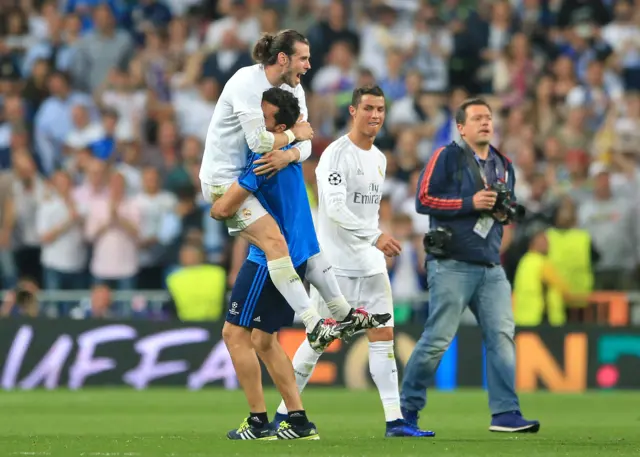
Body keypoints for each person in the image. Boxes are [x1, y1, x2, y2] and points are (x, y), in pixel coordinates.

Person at [212, 88, 389, 441]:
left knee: (233, 334)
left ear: (277, 126)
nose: (255, 125)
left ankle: (259, 421)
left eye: (263, 118)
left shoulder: (265, 158)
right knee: (263, 339)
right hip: (300, 256)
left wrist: (223, 196)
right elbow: (302, 142)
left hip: (267, 259)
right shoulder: (291, 157)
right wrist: (296, 140)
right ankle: (298, 420)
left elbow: (222, 209)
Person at [265, 85, 433, 438]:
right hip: (335, 267)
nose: (375, 115)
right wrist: (376, 236)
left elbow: (365, 211)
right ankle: (284, 414)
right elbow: (336, 209)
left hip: (371, 265)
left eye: (381, 109)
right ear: (354, 111)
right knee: (318, 341)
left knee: (383, 336)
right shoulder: (336, 155)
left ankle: (394, 421)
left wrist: (373, 245)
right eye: (369, 108)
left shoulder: (380, 158)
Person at [198, 29, 350, 348]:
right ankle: (313, 322)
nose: (309, 65)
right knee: (274, 242)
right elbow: (259, 141)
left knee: (296, 239)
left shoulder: (294, 91)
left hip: (255, 174)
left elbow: (306, 140)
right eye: (303, 58)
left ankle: (337, 314)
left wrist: (290, 154)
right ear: (283, 59)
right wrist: (292, 138)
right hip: (224, 181)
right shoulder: (246, 83)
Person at [400, 98, 540, 433]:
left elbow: (503, 211)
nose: (485, 122)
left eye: (489, 117)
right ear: (461, 127)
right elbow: (423, 200)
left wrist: (503, 213)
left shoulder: (504, 165)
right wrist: (469, 202)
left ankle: (505, 413)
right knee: (437, 339)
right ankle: (406, 409)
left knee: (502, 336)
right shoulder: (447, 155)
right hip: (451, 263)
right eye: (476, 118)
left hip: (490, 264)